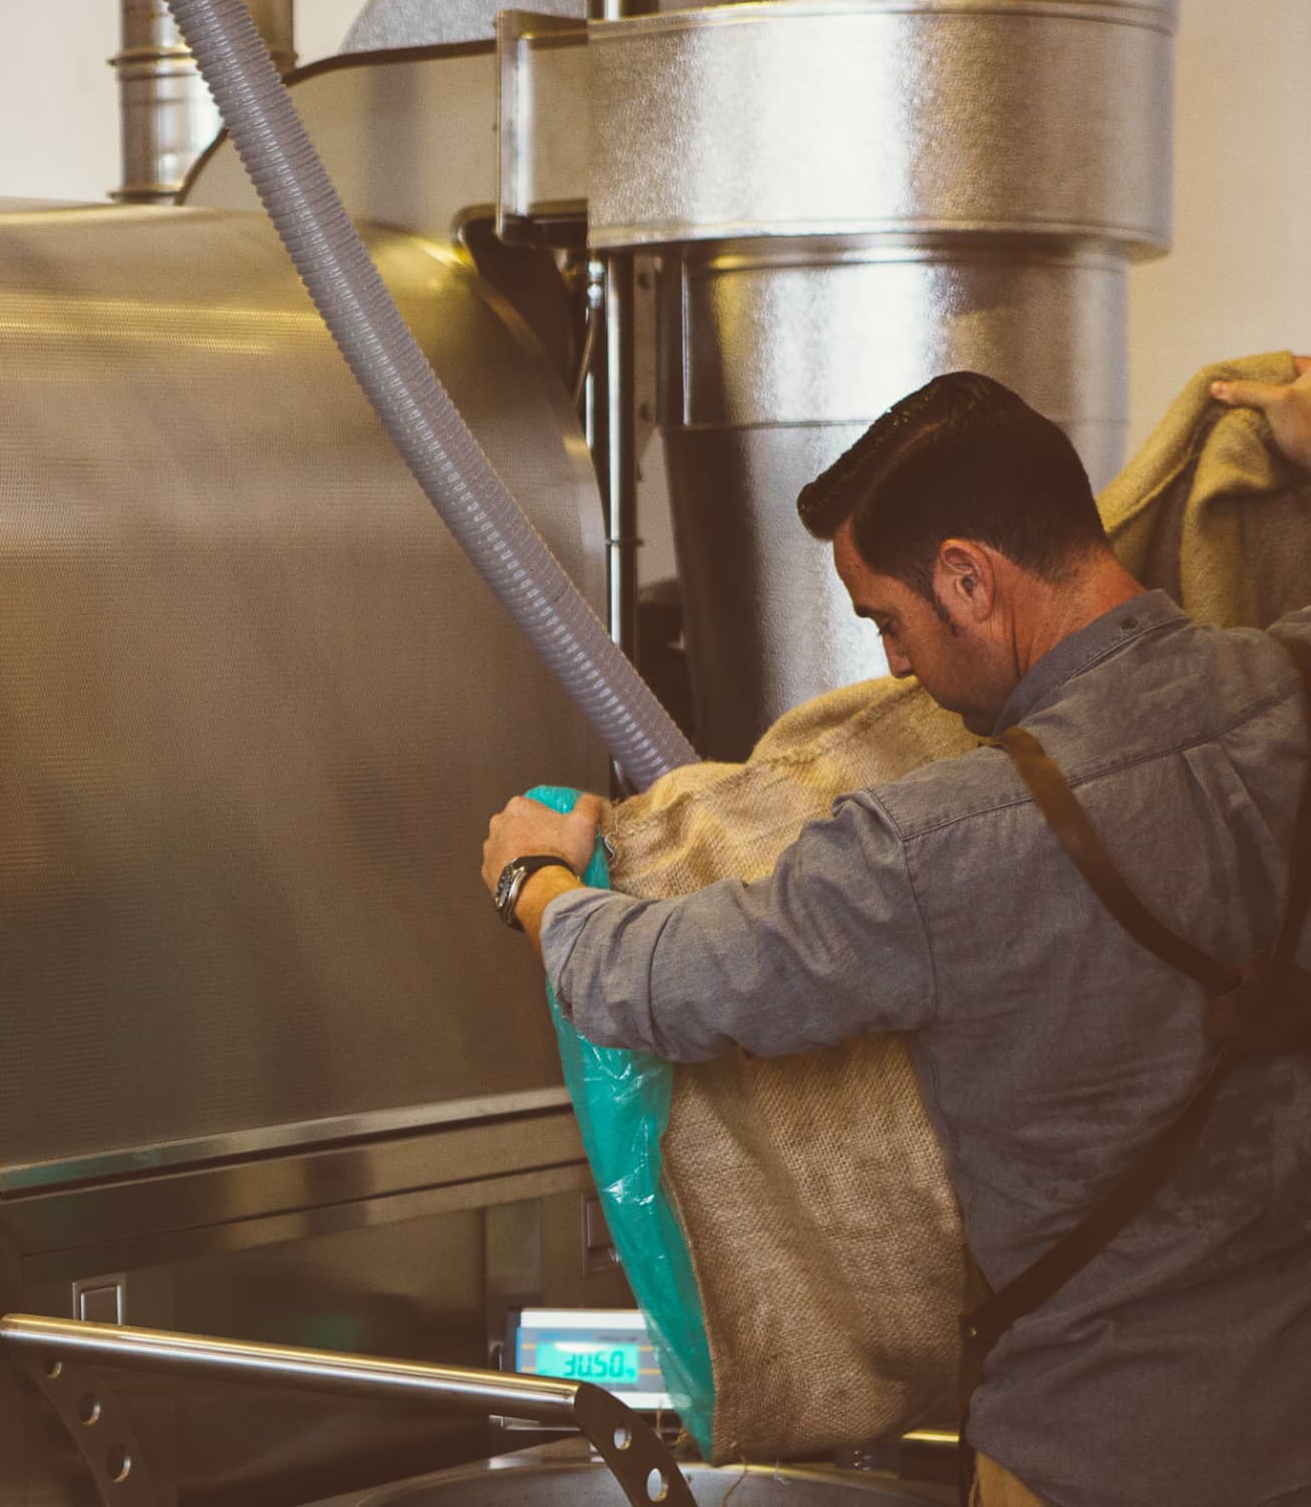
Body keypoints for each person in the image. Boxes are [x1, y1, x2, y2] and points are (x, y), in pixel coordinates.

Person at [479, 370, 1311, 1507]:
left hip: (1086, 1458)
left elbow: (644, 980)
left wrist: (530, 877)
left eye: (886, 620)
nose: (894, 667)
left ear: (968, 577)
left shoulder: (931, 847)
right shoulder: (1290, 687)